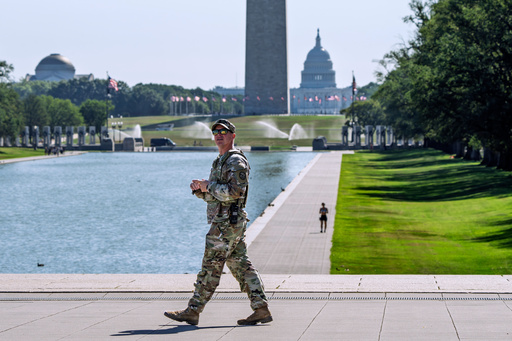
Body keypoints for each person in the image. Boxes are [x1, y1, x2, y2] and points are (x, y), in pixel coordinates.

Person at [164, 119, 272, 326]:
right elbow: (219, 194)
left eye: (224, 131)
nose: (219, 135)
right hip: (226, 221)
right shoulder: (221, 161)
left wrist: (209, 186)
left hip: (227, 223)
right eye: (215, 132)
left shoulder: (235, 161)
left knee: (211, 265)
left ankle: (193, 310)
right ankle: (261, 308)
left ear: (233, 135)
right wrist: (201, 191)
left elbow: (235, 192)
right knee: (241, 266)